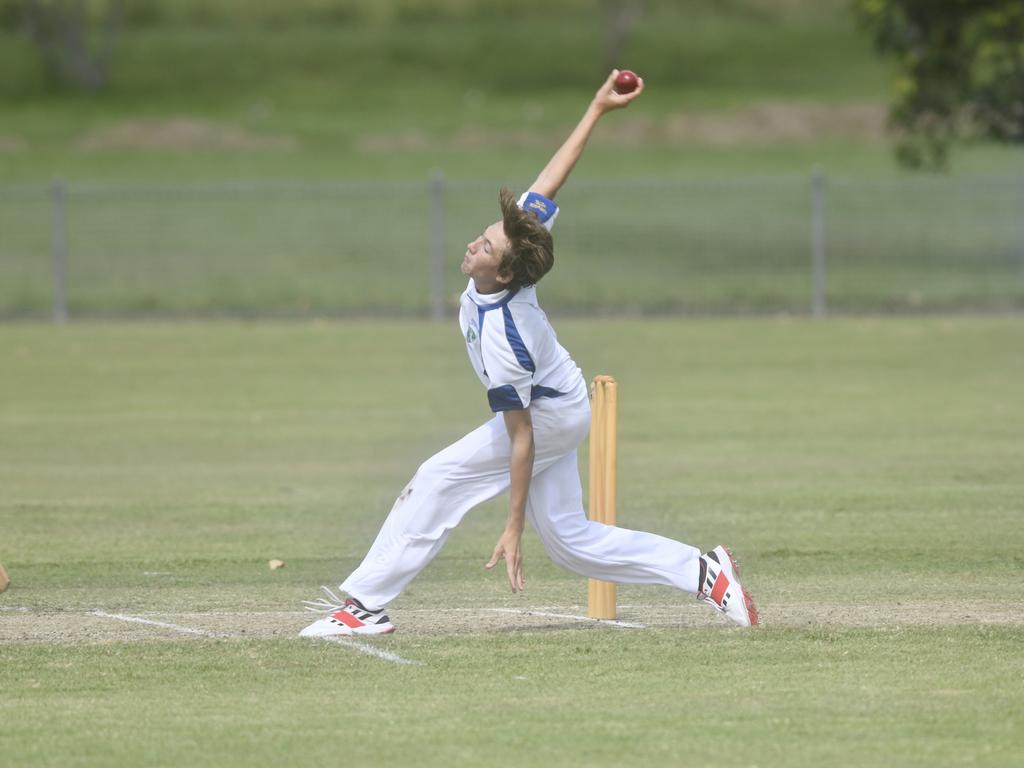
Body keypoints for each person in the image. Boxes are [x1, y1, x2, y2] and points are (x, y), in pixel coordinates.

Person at [300, 71, 758, 637]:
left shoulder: (506, 335)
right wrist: (596, 108)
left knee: (439, 477)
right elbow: (551, 180)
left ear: (507, 271)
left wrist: (513, 525)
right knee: (573, 545)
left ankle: (363, 606)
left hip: (548, 417)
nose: (475, 243)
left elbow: (522, 438)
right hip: (560, 403)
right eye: (485, 233)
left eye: (487, 246)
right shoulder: (519, 244)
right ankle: (703, 571)